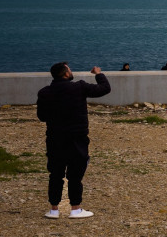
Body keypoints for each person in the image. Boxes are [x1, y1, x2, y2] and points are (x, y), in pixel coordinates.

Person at [37, 62, 111, 219]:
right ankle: (75, 209)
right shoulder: (79, 87)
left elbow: (42, 117)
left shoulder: (44, 92)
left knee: (55, 174)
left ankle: (54, 210)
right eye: (69, 69)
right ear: (65, 74)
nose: (71, 71)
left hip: (55, 138)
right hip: (77, 138)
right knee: (75, 174)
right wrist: (98, 74)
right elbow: (105, 89)